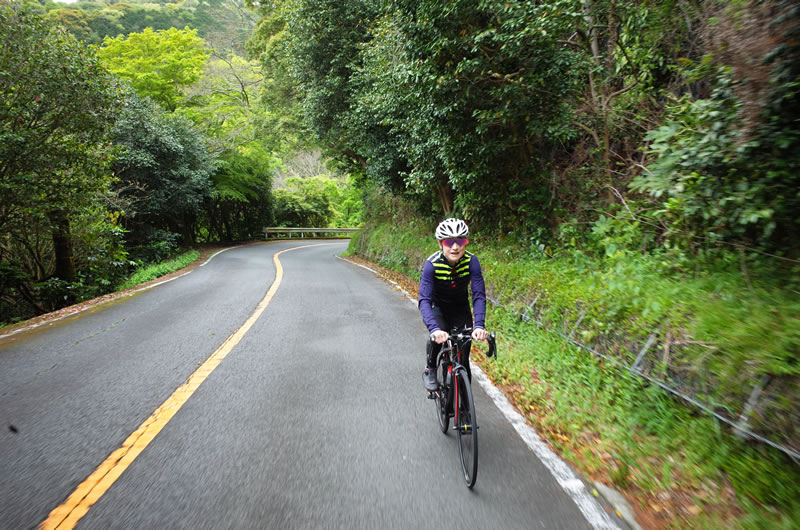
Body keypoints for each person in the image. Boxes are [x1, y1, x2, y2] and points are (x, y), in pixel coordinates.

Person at [418, 218, 488, 391]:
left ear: (467, 242)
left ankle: (465, 409)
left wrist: (479, 325)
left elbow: (478, 295)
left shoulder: (472, 262)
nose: (455, 247)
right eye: (449, 242)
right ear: (440, 243)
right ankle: (431, 368)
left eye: (460, 241)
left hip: (460, 308)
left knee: (463, 361)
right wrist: (434, 329)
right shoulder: (431, 264)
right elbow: (424, 300)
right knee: (438, 336)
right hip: (438, 307)